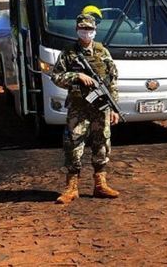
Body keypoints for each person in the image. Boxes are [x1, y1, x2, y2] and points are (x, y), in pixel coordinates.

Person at [51, 13, 121, 204]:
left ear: (95, 31)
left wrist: (114, 108)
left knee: (102, 143)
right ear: (77, 30)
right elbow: (56, 77)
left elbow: (112, 81)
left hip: (100, 107)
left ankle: (100, 185)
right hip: (78, 107)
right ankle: (71, 188)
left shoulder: (102, 52)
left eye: (89, 29)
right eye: (83, 29)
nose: (86, 32)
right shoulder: (68, 53)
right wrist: (76, 76)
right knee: (74, 144)